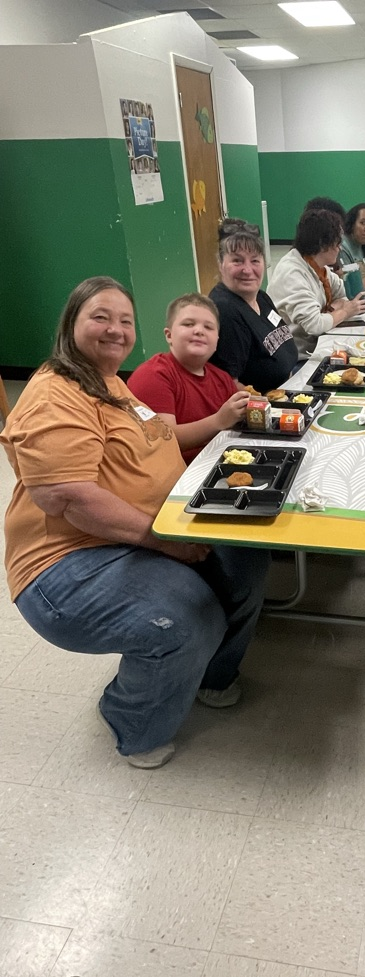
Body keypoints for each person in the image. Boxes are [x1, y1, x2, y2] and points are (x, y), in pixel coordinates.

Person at [1, 277, 271, 769]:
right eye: (100, 317)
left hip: (149, 529)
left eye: (125, 320)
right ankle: (133, 722)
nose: (116, 330)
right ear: (71, 324)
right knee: (186, 618)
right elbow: (70, 498)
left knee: (245, 564)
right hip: (69, 561)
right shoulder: (55, 394)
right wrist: (167, 542)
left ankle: (206, 678)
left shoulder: (109, 383)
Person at [127, 293, 250, 462]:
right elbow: (164, 440)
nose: (199, 331)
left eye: (208, 327)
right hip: (179, 477)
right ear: (169, 335)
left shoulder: (221, 377)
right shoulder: (153, 375)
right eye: (188, 324)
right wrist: (218, 421)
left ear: (217, 339)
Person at [207, 219, 298, 393]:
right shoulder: (225, 311)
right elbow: (230, 385)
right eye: (237, 261)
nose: (247, 270)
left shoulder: (261, 297)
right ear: (220, 264)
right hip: (262, 409)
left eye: (255, 261)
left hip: (290, 388)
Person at [267, 208, 365, 356]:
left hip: (317, 343)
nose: (340, 248)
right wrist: (345, 312)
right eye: (337, 242)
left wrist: (330, 312)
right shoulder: (292, 273)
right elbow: (315, 325)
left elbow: (344, 295)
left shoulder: (319, 267)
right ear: (322, 243)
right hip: (298, 355)